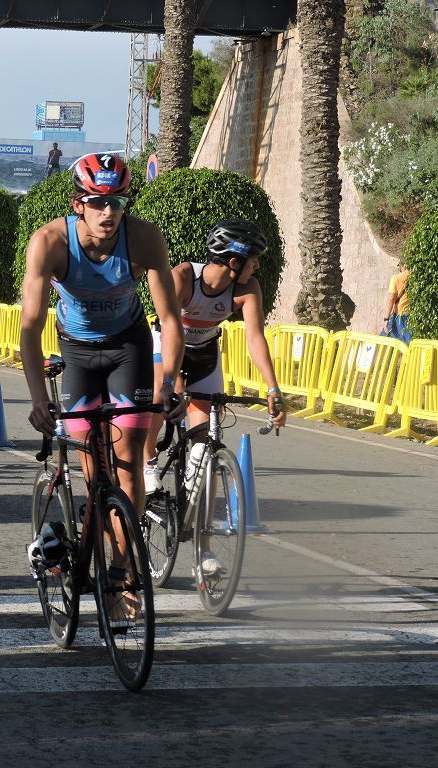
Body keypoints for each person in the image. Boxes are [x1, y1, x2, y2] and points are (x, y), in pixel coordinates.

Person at [20, 153, 186, 612]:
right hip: (75, 352)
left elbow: (170, 321)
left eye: (117, 202)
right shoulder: (49, 243)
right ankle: (76, 538)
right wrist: (38, 398)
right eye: (97, 202)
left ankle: (122, 567)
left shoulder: (145, 239)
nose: (109, 212)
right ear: (78, 204)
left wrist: (168, 383)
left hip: (127, 347)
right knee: (94, 466)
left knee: (128, 457)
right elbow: (29, 328)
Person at [143, 219, 286, 575]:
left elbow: (255, 338)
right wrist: (173, 383)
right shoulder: (182, 278)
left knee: (204, 452)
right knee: (160, 403)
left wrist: (272, 388)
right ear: (233, 261)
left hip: (205, 353)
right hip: (166, 344)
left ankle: (203, 552)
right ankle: (147, 468)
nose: (256, 268)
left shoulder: (247, 288)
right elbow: (170, 327)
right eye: (253, 261)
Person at [380, 259, 411, 343]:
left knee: (383, 340)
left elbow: (391, 299)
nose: (400, 269)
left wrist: (386, 319)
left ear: (403, 265)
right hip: (411, 315)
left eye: (400, 266)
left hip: (399, 315)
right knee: (407, 341)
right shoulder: (416, 277)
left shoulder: (396, 278)